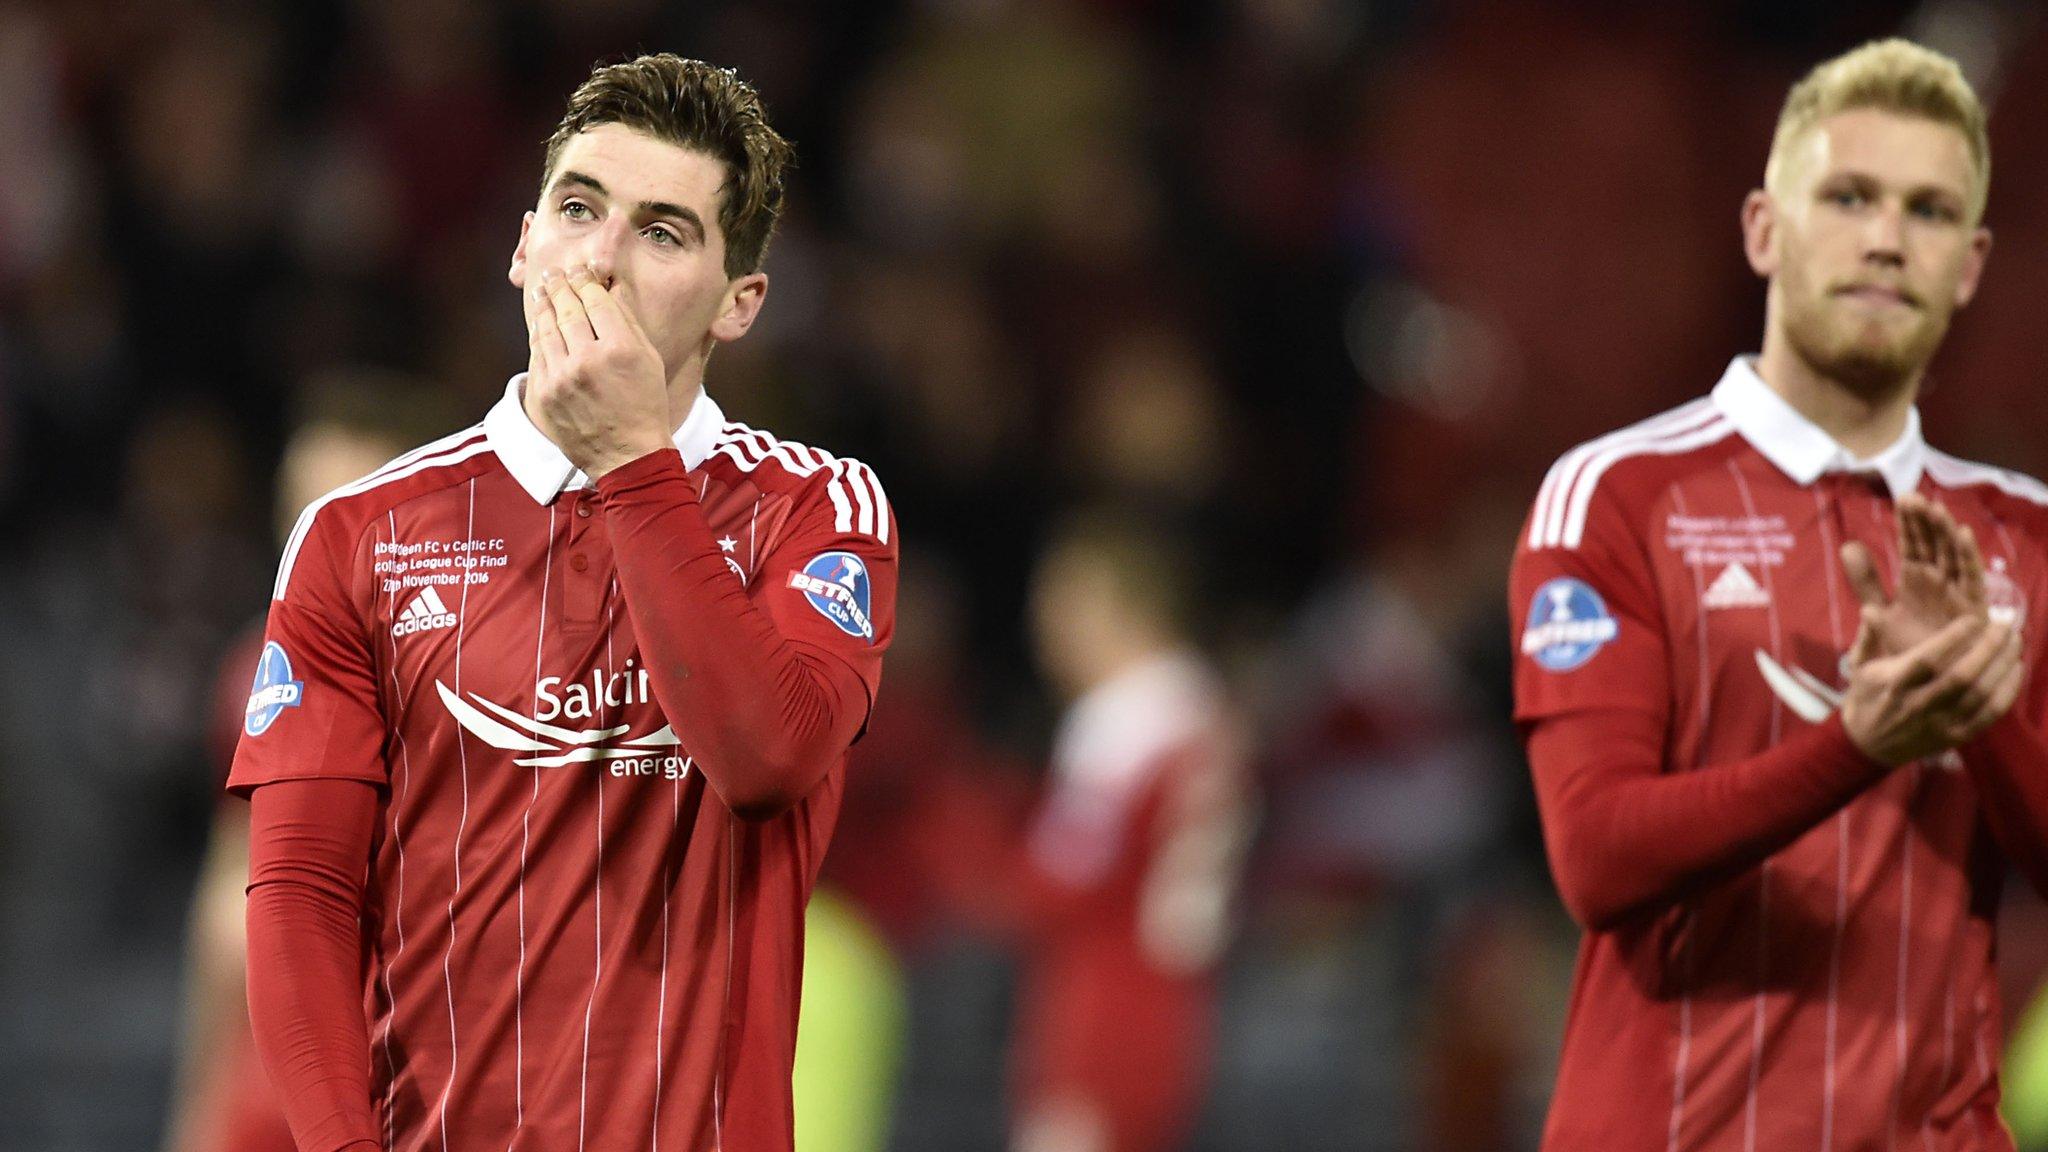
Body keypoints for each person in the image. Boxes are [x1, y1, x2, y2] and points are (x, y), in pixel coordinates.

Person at [230, 55, 897, 1152]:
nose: (599, 257)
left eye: (663, 231)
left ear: (740, 305)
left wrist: (633, 463)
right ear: (521, 243)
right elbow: (300, 895)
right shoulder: (361, 534)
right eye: (577, 208)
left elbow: (766, 759)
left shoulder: (816, 511)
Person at [1509, 39, 2048, 1150]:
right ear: (1762, 229)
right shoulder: (1616, 497)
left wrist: (1979, 716)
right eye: (1846, 197)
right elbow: (1594, 857)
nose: (1886, 238)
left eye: (1928, 211)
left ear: (1970, 264)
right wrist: (1857, 745)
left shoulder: (2024, 536)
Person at [162, 375, 451, 1152]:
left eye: (350, 514)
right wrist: (198, 1114)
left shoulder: (503, 684)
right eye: (303, 514)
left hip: (437, 1085)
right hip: (280, 1095)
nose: (319, 547)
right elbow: (229, 907)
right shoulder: (259, 672)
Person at [979, 511, 1252, 1152]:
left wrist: (982, 855)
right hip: (1178, 1002)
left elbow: (1060, 882)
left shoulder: (1125, 716)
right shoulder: (1200, 703)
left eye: (1062, 606)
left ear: (1118, 606)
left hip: (1102, 1006)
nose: (1044, 631)